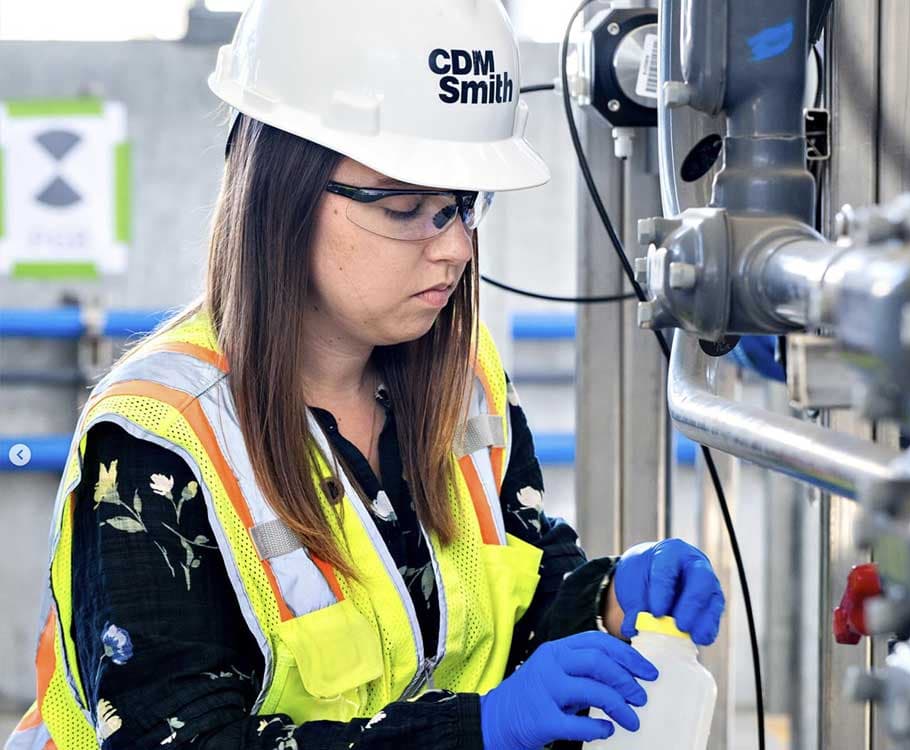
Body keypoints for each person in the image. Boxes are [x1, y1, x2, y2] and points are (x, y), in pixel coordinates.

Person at [7, 2, 725, 749]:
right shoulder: (160, 440)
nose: (456, 248)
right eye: (407, 206)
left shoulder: (465, 378)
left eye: (463, 207)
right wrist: (475, 731)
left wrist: (605, 601)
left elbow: (510, 599)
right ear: (282, 193)